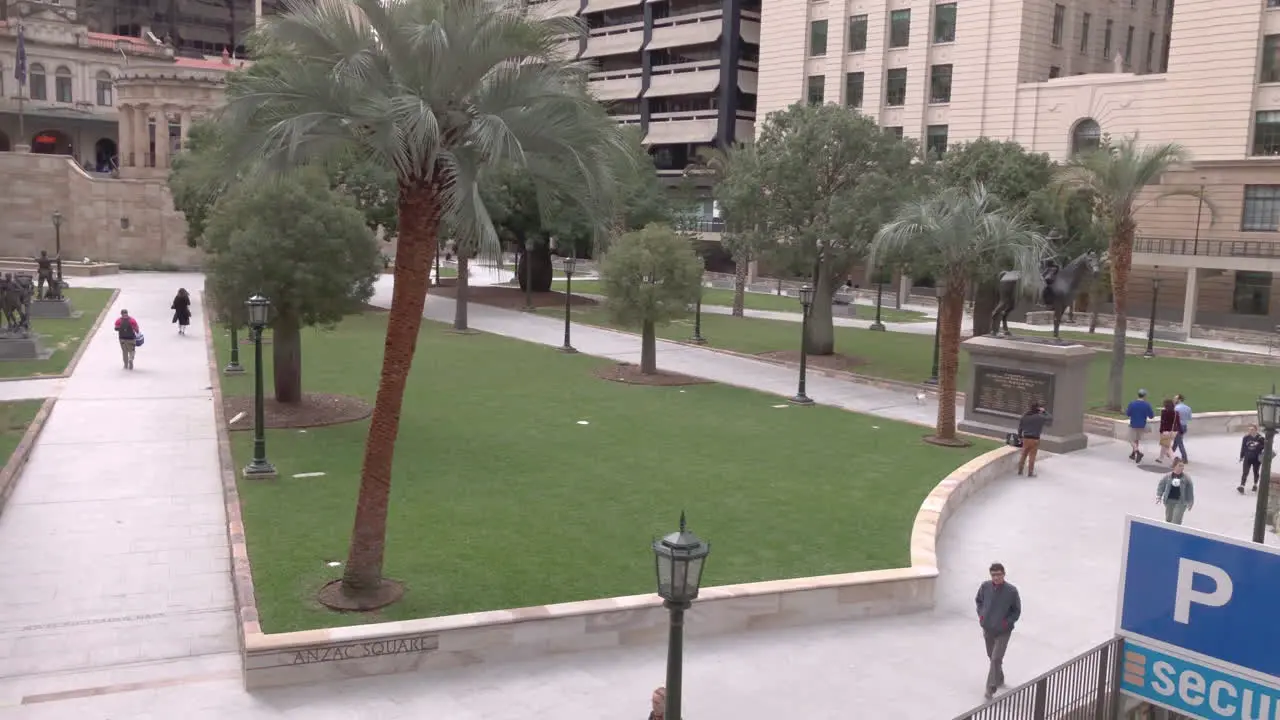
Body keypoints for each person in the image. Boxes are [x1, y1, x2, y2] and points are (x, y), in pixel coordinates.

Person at [975, 562, 1021, 700]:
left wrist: (1006, 623)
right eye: (993, 575)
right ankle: (999, 678)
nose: (996, 577)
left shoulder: (1011, 591)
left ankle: (990, 688)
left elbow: (1016, 611)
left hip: (1003, 631)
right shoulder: (985, 587)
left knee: (995, 658)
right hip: (988, 628)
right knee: (992, 657)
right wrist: (982, 615)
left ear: (1004, 574)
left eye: (999, 574)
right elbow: (978, 601)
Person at [1016, 402, 1052, 477]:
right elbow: (1050, 417)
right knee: (1032, 456)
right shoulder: (1040, 417)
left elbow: (1020, 428)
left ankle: (1020, 470)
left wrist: (1020, 437)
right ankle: (1030, 472)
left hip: (1026, 438)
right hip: (1035, 439)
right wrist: (1044, 411)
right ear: (1038, 409)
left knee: (1023, 455)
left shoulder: (1025, 417)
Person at [1156, 458, 1195, 525]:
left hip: (1180, 502)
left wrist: (1190, 502)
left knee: (1176, 521)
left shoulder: (1186, 478)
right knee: (1168, 520)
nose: (1182, 468)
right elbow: (1161, 485)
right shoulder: (1168, 476)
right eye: (1179, 466)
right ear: (1174, 466)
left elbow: (1190, 490)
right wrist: (1159, 496)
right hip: (1169, 501)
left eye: (1182, 466)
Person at [1125, 389, 1156, 464]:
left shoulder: (1132, 404)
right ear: (1145, 396)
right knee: (1136, 439)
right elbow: (1151, 416)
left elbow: (1128, 414)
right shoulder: (1147, 405)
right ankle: (1133, 454)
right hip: (1142, 425)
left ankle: (1137, 452)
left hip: (1133, 424)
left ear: (1138, 395)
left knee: (1130, 439)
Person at [1239, 425, 1265, 495]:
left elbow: (1265, 447)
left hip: (1256, 458)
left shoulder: (1261, 438)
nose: (1251, 431)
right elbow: (1243, 447)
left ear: (1256, 430)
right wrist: (1241, 456)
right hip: (1247, 457)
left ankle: (1255, 484)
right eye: (1250, 429)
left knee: (1255, 472)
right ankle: (1242, 486)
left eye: (1252, 429)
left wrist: (1258, 446)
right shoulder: (1246, 438)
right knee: (1245, 472)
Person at [1157, 398, 1183, 464]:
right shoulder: (1176, 413)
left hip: (1166, 431)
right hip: (1174, 431)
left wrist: (1161, 431)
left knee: (1167, 446)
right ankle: (1160, 458)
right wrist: (1181, 431)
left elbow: (1162, 423)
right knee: (1165, 445)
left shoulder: (1164, 412)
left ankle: (1174, 460)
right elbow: (1178, 423)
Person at [1172, 394, 1192, 463]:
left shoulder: (1176, 408)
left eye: (1175, 399)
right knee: (1177, 440)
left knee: (1179, 442)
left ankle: (1184, 458)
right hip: (1184, 426)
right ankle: (1171, 452)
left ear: (1179, 400)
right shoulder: (1188, 408)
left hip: (1178, 427)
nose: (1174, 400)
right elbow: (1189, 418)